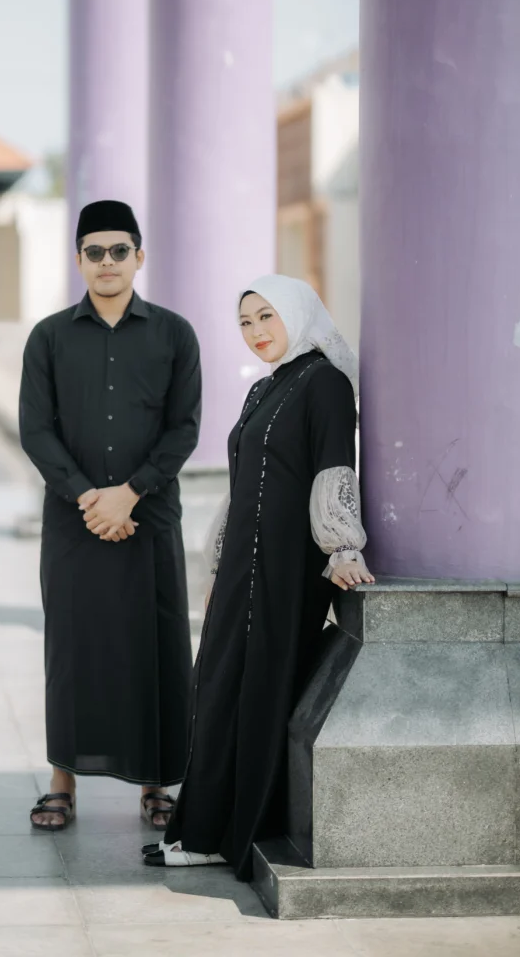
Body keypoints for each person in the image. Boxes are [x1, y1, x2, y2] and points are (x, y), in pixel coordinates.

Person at [142, 273, 374, 877]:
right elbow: (244, 482)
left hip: (286, 568)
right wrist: (218, 560)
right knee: (217, 688)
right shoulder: (266, 388)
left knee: (259, 692)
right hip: (244, 566)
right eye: (245, 322)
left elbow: (333, 466)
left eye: (266, 317)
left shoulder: (323, 382)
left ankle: (238, 831)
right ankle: (207, 826)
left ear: (296, 314)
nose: (256, 333)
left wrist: (343, 548)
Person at [19, 199, 201, 832]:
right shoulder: (48, 337)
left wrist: (132, 493)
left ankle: (157, 785)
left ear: (138, 256)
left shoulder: (176, 334)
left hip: (150, 520)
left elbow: (184, 430)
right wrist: (90, 498)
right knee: (73, 648)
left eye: (118, 250)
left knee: (154, 646)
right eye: (93, 252)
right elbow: (36, 431)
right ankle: (62, 781)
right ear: (79, 261)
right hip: (74, 524)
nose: (106, 262)